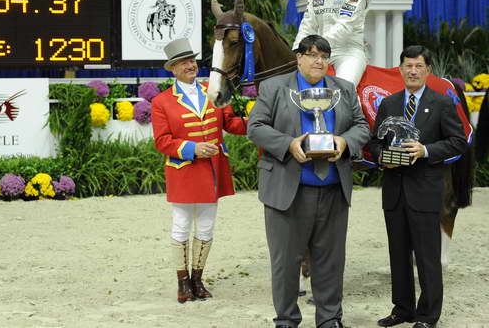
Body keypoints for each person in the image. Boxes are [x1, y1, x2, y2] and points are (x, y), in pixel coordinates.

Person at [247, 34, 370, 328]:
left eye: (324, 56)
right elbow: (256, 127)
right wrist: (288, 144)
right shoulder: (275, 88)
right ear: (298, 58)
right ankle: (286, 319)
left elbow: (362, 126)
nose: (319, 61)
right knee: (286, 263)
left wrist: (344, 141)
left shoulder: (344, 89)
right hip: (288, 191)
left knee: (331, 261)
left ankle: (329, 319)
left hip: (332, 190)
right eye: (312, 54)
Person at [369, 45, 468, 328]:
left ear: (427, 71)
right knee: (398, 255)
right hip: (394, 191)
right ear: (400, 70)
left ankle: (427, 315)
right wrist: (381, 157)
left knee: (427, 258)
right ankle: (402, 310)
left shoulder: (442, 103)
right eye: (408, 66)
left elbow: (458, 142)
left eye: (418, 66)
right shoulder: (388, 104)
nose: (413, 71)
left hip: (425, 190)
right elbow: (375, 142)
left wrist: (425, 150)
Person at [151, 37, 247, 303]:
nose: (190, 65)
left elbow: (231, 123)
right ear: (173, 68)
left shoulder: (212, 89)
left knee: (206, 228)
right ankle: (182, 282)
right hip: (184, 172)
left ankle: (197, 279)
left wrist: (258, 121)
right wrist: (193, 149)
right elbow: (162, 141)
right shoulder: (161, 101)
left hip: (213, 170)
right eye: (183, 62)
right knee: (181, 226)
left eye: (192, 60)